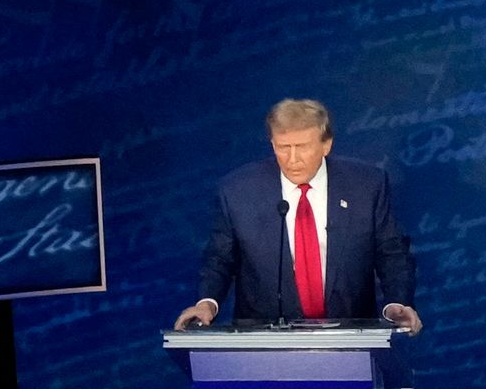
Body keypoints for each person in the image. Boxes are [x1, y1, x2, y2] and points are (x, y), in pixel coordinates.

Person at [172, 98, 423, 336]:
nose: (292, 160)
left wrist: (396, 304)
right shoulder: (238, 191)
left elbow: (392, 253)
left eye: (302, 147)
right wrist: (207, 304)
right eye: (283, 148)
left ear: (327, 145)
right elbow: (219, 258)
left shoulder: (366, 185)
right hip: (263, 341)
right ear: (272, 144)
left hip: (350, 337)